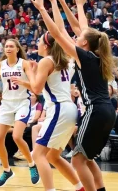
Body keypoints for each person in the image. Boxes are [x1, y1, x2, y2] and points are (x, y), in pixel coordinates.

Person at [31, 0, 116, 191]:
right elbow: (83, 28)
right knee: (88, 158)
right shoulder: (98, 55)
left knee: (78, 160)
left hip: (95, 111)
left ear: (84, 44)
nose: (76, 36)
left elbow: (59, 33)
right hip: (108, 111)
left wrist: (44, 8)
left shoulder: (85, 57)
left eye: (78, 38)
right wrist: (73, 4)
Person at [18, 30, 84, 191]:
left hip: (59, 109)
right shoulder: (66, 61)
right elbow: (43, 87)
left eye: (39, 41)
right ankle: (80, 188)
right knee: (52, 156)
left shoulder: (46, 61)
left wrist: (31, 74)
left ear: (46, 46)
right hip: (68, 108)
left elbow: (37, 89)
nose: (37, 44)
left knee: (37, 155)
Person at [0, 39, 39, 187]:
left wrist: (22, 82)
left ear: (17, 49)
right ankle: (7, 170)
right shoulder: (0, 66)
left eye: (11, 46)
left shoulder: (24, 64)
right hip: (6, 104)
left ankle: (32, 164)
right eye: (6, 46)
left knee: (16, 136)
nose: (8, 48)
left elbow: (34, 86)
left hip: (22, 103)